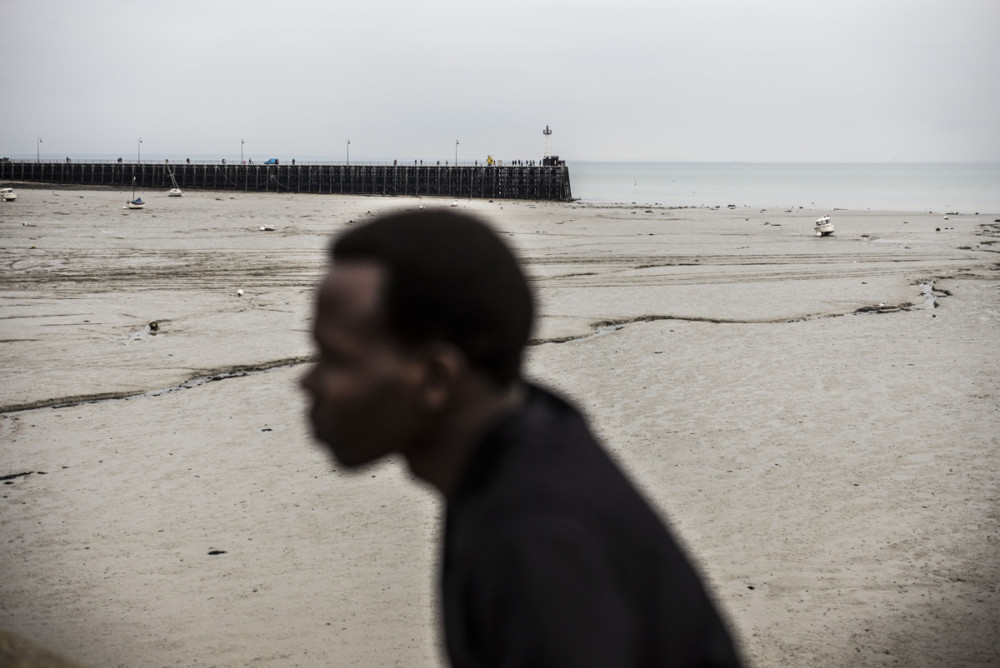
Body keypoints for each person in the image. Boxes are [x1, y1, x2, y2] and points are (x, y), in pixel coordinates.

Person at [300, 208, 742, 667]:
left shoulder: (537, 544)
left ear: (435, 379)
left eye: (334, 358)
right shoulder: (532, 435)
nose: (306, 383)